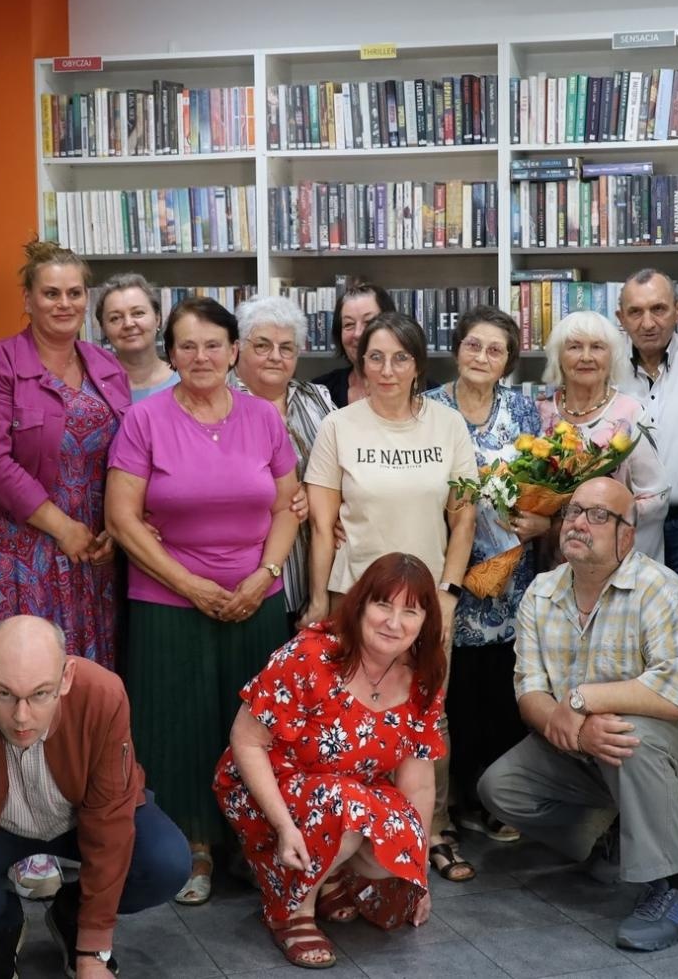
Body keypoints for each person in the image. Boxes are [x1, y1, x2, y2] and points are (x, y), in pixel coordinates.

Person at [478, 477, 678, 953]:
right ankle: (613, 835)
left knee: (625, 736)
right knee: (502, 786)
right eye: (574, 512)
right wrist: (567, 722)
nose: (578, 523)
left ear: (627, 536)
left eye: (598, 516)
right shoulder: (541, 592)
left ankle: (672, 890)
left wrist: (580, 703)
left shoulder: (661, 591)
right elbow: (529, 689)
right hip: (587, 745)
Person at [106, 297, 300, 908]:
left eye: (214, 344)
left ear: (234, 351)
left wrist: (265, 572)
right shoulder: (145, 421)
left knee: (252, 728)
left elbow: (286, 507)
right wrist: (189, 585)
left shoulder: (264, 418)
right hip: (167, 605)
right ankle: (192, 847)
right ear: (170, 353)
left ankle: (250, 841)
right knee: (176, 727)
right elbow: (122, 517)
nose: (201, 357)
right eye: (186, 345)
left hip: (256, 600)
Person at [0, 615, 191, 979]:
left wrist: (94, 951)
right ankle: (1, 927)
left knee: (165, 863)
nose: (21, 717)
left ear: (67, 677)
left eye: (40, 694)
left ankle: (72, 914)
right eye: (4, 694)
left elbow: (110, 821)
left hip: (81, 818)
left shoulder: (104, 696)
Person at [303, 310, 476, 881]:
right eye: (374, 356)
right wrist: (317, 602)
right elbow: (323, 525)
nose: (386, 369)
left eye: (399, 357)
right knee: (351, 716)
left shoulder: (448, 426)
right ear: (360, 361)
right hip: (356, 601)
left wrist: (448, 594)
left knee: (431, 719)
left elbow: (464, 516)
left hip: (424, 605)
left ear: (418, 364)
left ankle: (432, 832)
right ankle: (356, 833)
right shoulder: (339, 427)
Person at [214, 553, 449, 969]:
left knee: (396, 840)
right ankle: (292, 909)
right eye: (383, 605)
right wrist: (286, 827)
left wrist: (419, 870)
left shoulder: (423, 676)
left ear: (425, 621)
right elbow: (246, 742)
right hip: (270, 787)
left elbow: (419, 780)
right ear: (359, 605)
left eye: (409, 611)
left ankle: (327, 873)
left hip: (349, 795)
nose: (394, 623)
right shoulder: (310, 655)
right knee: (347, 805)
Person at [0, 239, 128, 674]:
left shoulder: (106, 366)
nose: (63, 303)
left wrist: (115, 530)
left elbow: (128, 455)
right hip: (14, 551)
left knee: (83, 683)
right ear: (28, 299)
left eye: (74, 293)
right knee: (19, 679)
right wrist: (61, 527)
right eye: (51, 293)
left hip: (89, 552)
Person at [425, 306, 542, 855]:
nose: (482, 357)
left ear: (508, 362)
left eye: (494, 350)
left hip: (511, 570)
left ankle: (495, 804)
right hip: (447, 570)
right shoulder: (429, 408)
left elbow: (544, 477)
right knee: (454, 690)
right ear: (457, 350)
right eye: (473, 345)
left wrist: (539, 522)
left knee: (503, 686)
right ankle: (453, 805)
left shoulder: (523, 409)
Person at [230, 295, 335, 623]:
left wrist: (327, 497)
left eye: (287, 347)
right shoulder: (220, 404)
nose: (275, 356)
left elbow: (346, 467)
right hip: (248, 578)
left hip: (317, 574)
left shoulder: (318, 397)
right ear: (238, 348)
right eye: (262, 345)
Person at [613, 269, 678, 585]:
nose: (647, 323)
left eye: (658, 309)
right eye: (635, 312)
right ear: (621, 317)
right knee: (634, 623)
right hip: (627, 523)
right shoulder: (606, 365)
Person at [542, 309, 667, 560]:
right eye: (575, 347)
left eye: (597, 347)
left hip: (614, 556)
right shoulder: (539, 411)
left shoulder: (631, 413)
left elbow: (656, 496)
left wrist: (601, 518)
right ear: (558, 356)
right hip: (552, 555)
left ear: (612, 357)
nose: (586, 357)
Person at [94, 273, 178, 401]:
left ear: (157, 318)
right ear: (103, 328)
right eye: (115, 318)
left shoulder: (185, 381)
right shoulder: (94, 390)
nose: (128, 324)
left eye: (138, 313)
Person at [311, 278, 393, 408]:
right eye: (349, 324)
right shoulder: (318, 393)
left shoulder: (425, 393)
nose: (358, 334)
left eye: (369, 322)